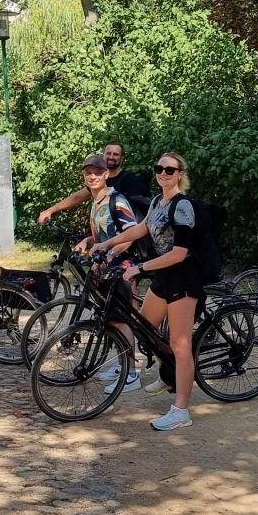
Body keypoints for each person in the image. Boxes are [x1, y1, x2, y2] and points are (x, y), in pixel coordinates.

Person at [101, 152, 201, 430]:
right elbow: (139, 230)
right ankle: (168, 374)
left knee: (181, 345)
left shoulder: (182, 206)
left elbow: (180, 253)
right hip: (163, 278)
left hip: (182, 279)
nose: (163, 173)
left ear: (180, 173)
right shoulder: (158, 201)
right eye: (159, 168)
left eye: (170, 170)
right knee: (145, 328)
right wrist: (107, 244)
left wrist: (140, 268)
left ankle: (181, 411)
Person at [73, 154, 144, 392]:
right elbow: (105, 233)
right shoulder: (96, 202)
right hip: (105, 268)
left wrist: (112, 254)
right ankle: (121, 365)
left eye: (97, 173)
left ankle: (131, 374)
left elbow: (130, 233)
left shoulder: (117, 200)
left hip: (120, 269)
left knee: (121, 321)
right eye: (88, 173)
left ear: (106, 175)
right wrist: (87, 240)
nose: (92, 176)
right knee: (110, 319)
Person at [37, 139, 151, 224]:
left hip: (129, 237)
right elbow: (77, 197)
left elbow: (147, 206)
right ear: (103, 155)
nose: (111, 157)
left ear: (122, 158)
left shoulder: (129, 180)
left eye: (115, 154)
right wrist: (50, 210)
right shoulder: (99, 180)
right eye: (108, 153)